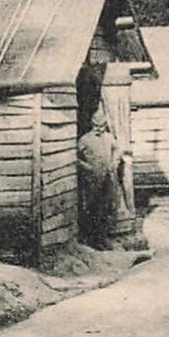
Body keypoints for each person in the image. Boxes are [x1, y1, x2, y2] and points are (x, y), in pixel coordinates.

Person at [76, 105, 123, 250]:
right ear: (91, 124)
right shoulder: (85, 140)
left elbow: (118, 149)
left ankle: (103, 238)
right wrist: (86, 167)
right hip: (91, 180)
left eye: (102, 125)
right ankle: (91, 240)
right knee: (91, 208)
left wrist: (115, 161)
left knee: (106, 208)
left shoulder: (109, 138)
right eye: (96, 125)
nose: (99, 128)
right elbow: (74, 157)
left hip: (107, 179)